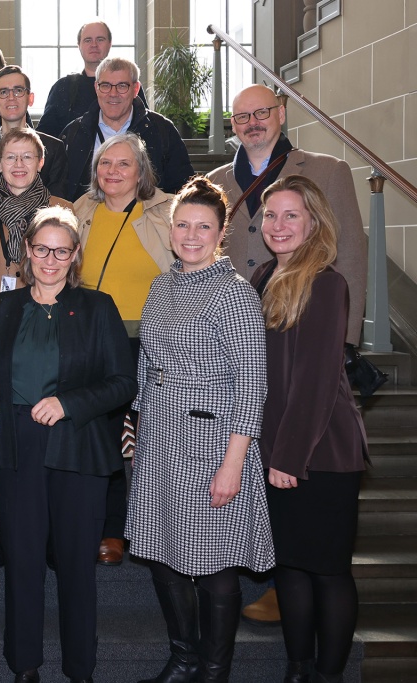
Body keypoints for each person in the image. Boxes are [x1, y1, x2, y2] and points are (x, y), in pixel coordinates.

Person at [125, 177, 274, 683]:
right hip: (159, 441)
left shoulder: (234, 295)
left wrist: (233, 464)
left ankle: (214, 670)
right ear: (170, 231)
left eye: (203, 227)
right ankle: (184, 659)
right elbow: (147, 363)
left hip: (212, 447)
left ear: (221, 232)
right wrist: (142, 421)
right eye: (183, 225)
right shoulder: (162, 286)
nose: (192, 235)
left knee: (213, 565)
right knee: (160, 551)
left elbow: (253, 386)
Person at [0, 206, 137, 683]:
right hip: (15, 448)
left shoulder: (98, 307)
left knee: (76, 567)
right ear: (28, 251)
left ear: (75, 256)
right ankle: (24, 665)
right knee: (22, 563)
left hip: (77, 447)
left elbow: (122, 383)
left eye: (62, 251)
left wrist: (68, 403)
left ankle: (80, 670)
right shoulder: (1, 308)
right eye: (42, 248)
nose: (51, 259)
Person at [252, 175, 368, 683]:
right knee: (290, 568)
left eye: (291, 215)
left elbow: (316, 382)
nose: (278, 226)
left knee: (327, 570)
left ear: (314, 222)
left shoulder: (326, 282)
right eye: (271, 216)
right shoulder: (259, 278)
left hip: (320, 455)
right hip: (273, 450)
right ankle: (297, 668)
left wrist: (287, 457)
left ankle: (329, 674)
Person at [71, 133, 175, 567]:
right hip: (94, 341)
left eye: (123, 164)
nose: (112, 172)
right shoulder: (80, 210)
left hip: (152, 341)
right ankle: (111, 530)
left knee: (154, 438)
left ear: (141, 171)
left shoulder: (168, 210)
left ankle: (159, 527)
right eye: (104, 163)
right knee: (106, 437)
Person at [207, 84, 367, 346]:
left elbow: (350, 256)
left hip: (302, 320)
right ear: (233, 125)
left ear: (281, 115)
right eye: (242, 117)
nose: (252, 123)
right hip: (229, 328)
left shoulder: (328, 171)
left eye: (262, 112)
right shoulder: (214, 181)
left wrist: (346, 338)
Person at [61, 57, 193, 199]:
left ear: (136, 89)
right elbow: (62, 190)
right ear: (96, 88)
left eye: (122, 86)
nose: (113, 94)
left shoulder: (162, 130)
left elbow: (183, 188)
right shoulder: (74, 133)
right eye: (105, 85)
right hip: (86, 219)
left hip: (147, 218)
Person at [0, 127, 74, 293]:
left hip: (48, 307)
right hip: (1, 308)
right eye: (10, 157)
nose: (18, 164)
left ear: (40, 162)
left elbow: (70, 267)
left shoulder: (64, 209)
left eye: (27, 157)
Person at [0, 65, 68, 203]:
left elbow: (58, 206)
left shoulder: (54, 149)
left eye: (18, 90)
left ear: (30, 99)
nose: (11, 97)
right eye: (4, 92)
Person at [36, 20, 145, 138]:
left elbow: (146, 128)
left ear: (110, 44)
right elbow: (44, 137)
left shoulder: (128, 85)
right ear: (79, 45)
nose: (94, 45)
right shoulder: (62, 87)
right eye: (88, 40)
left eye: (100, 39)